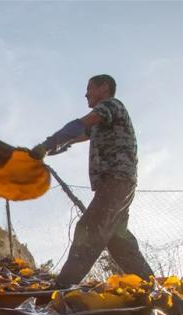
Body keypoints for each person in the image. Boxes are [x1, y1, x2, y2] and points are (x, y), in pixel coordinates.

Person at [31, 74, 154, 288]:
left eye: (89, 88)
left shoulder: (111, 106)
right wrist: (48, 151)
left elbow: (80, 124)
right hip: (120, 182)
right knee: (118, 240)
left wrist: (47, 144)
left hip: (116, 180)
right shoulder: (103, 120)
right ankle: (151, 284)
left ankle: (61, 287)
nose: (86, 93)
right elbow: (76, 135)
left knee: (88, 228)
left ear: (104, 87)